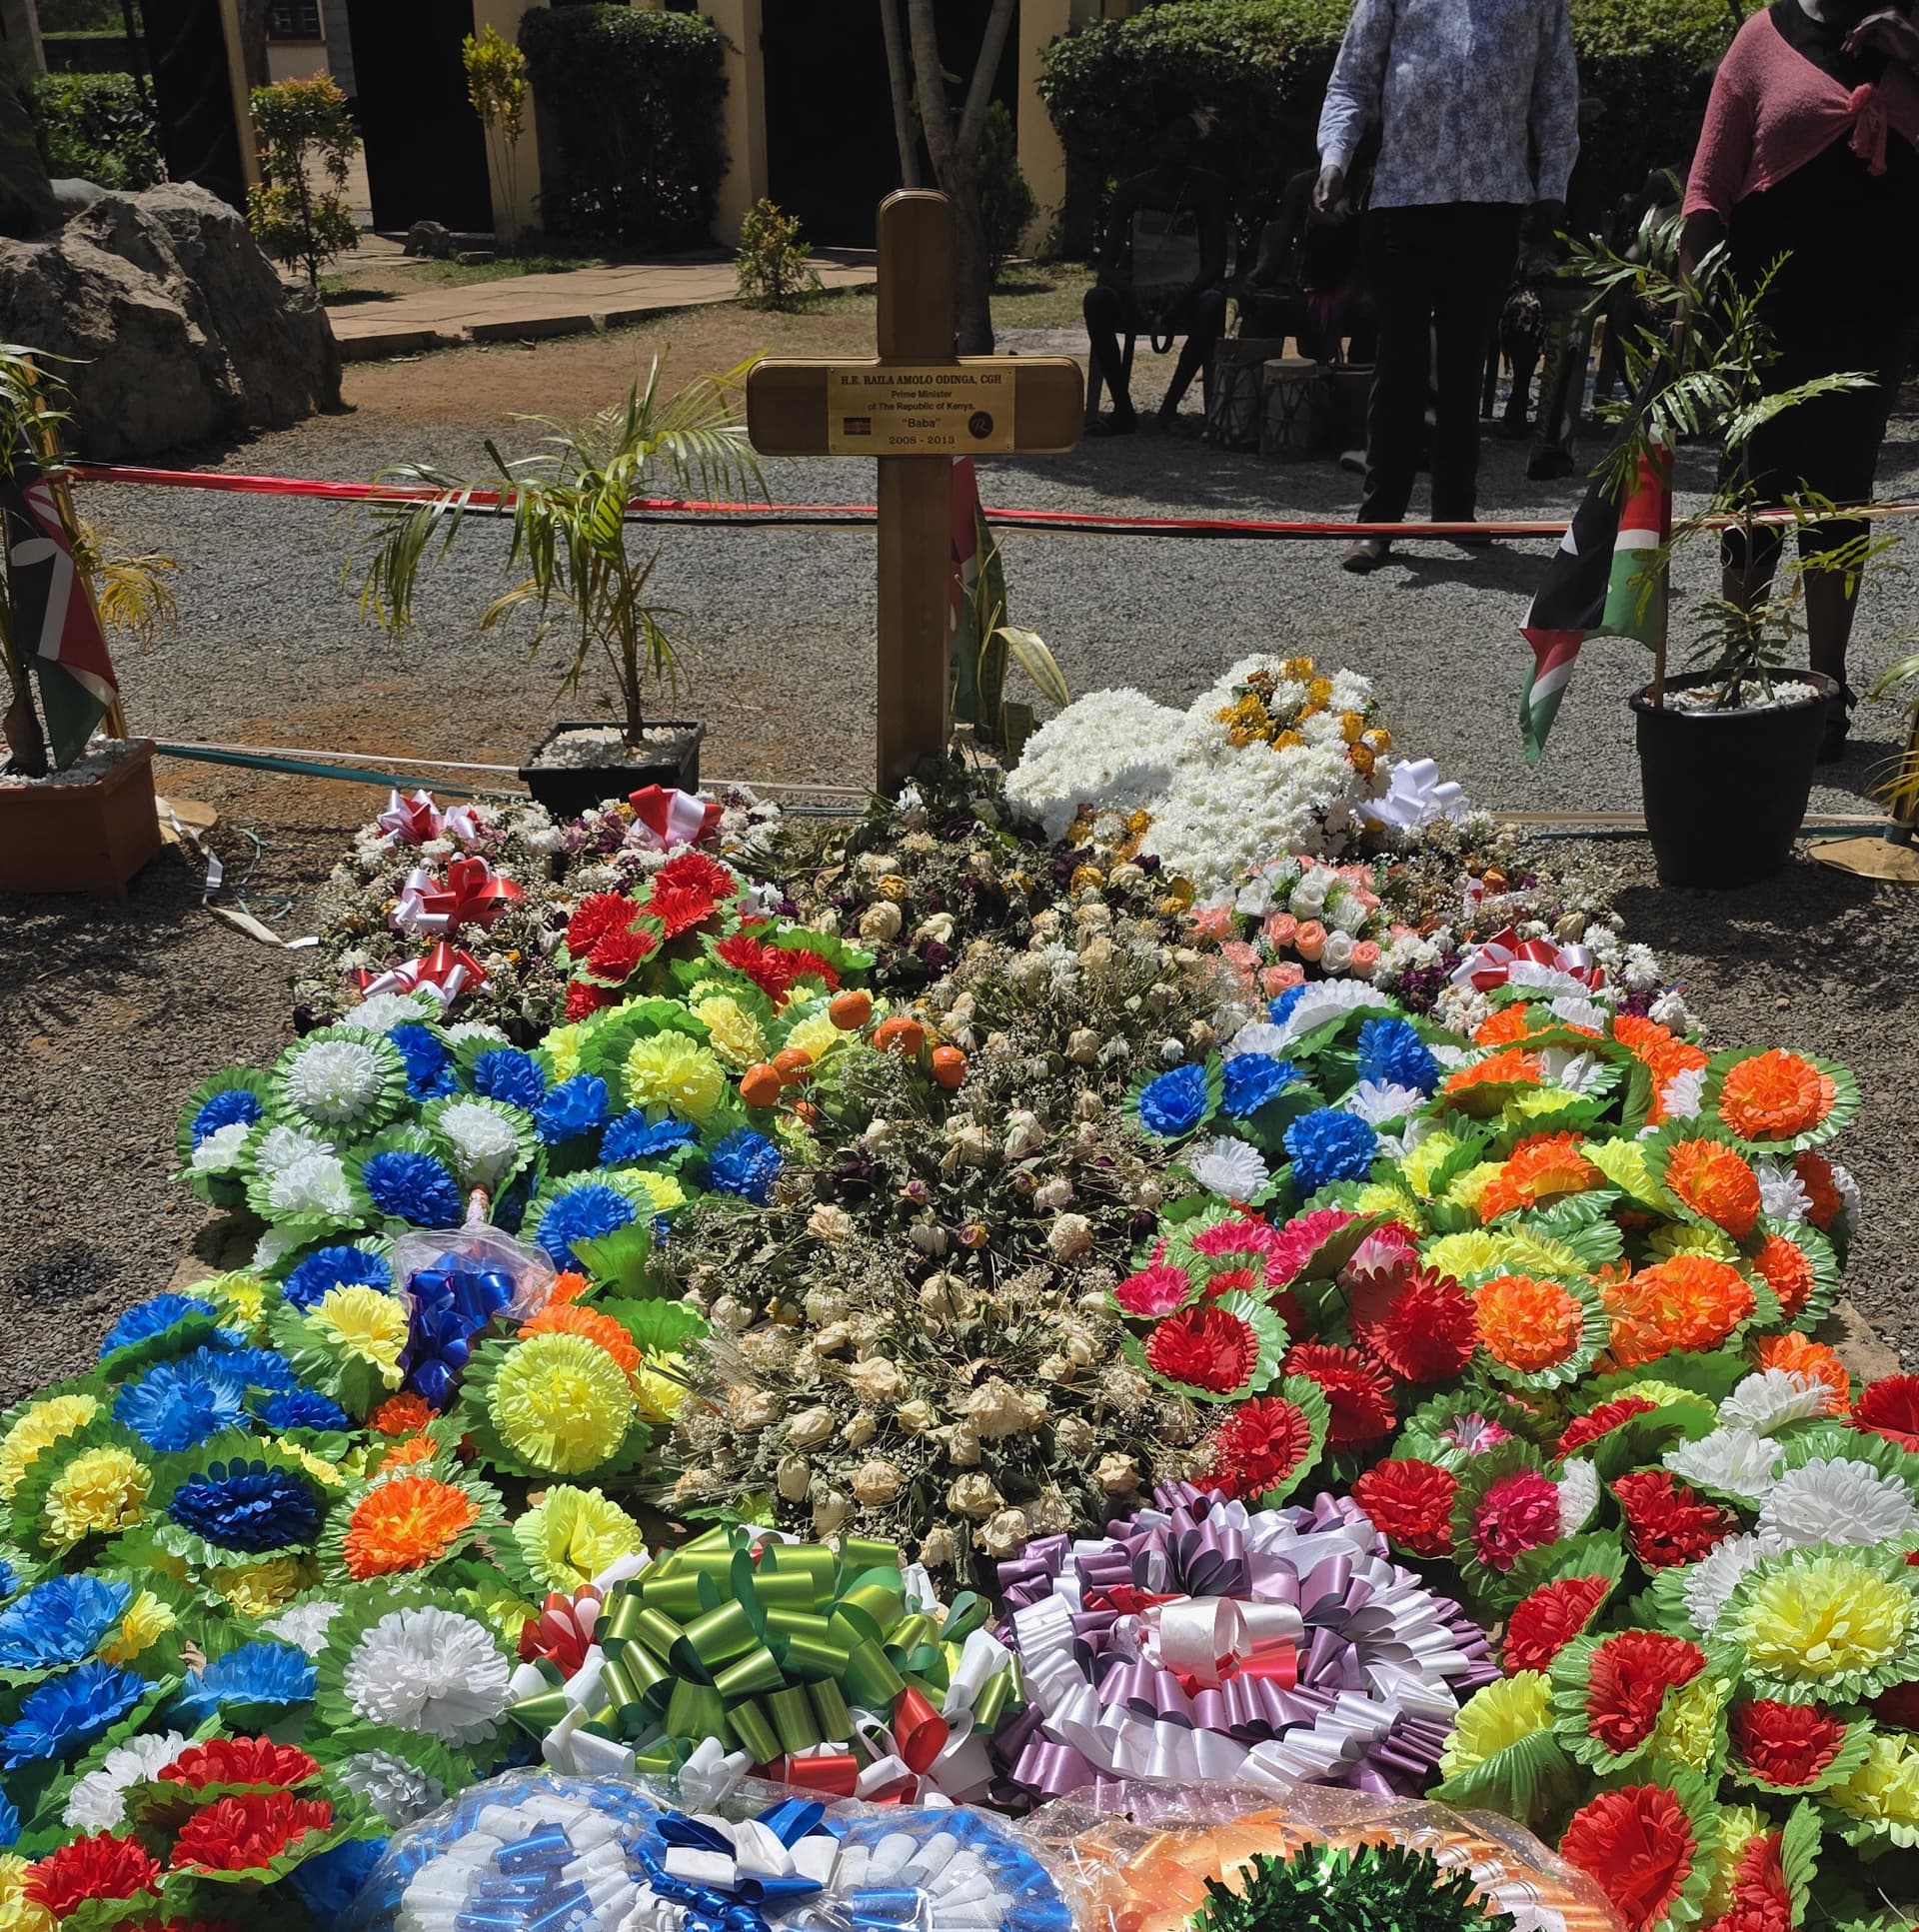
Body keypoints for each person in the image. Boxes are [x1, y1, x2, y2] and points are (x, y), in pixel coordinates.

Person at [1681, 0, 1919, 756]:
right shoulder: (1764, 36)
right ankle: (1742, 670)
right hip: (1764, 314)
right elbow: (1706, 188)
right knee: (1752, 490)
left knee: (1841, 499)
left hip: (1874, 318)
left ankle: (1826, 689)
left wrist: (1913, 54)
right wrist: (1701, 307)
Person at [1315, 0, 1580, 573]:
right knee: (1400, 361)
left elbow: (1556, 92)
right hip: (1403, 197)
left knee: (1466, 361)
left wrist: (1553, 185)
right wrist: (1335, 155)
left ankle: (1456, 509)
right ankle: (1378, 523)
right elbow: (1353, 77)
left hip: (1491, 200)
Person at [1082, 113, 1230, 435]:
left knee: (1213, 303)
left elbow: (1215, 263)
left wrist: (1184, 295)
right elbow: (1106, 265)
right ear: (1158, 143)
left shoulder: (1207, 190)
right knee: (1096, 300)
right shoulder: (1132, 191)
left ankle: (1169, 408)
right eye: (1176, 136)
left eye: (1189, 138)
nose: (1183, 144)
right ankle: (1123, 409)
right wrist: (1132, 292)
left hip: (1188, 297)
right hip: (1139, 296)